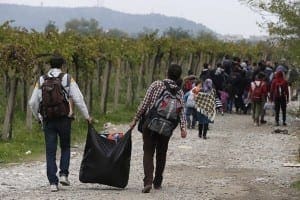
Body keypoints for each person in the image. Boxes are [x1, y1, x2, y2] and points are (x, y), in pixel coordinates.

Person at [29, 54, 92, 192]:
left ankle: (53, 182)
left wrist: (39, 116)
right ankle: (64, 174)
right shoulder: (68, 78)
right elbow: (78, 99)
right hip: (64, 118)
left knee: (50, 151)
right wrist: (87, 116)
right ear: (63, 66)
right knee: (65, 147)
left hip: (47, 119)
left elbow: (32, 102)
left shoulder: (41, 79)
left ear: (49, 65)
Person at [130, 63, 187, 193]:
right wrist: (183, 128)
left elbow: (145, 103)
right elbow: (182, 111)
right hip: (167, 127)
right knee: (162, 153)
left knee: (148, 152)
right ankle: (158, 182)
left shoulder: (156, 85)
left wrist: (135, 119)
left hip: (151, 124)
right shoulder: (179, 91)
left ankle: (148, 181)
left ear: (167, 73)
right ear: (179, 76)